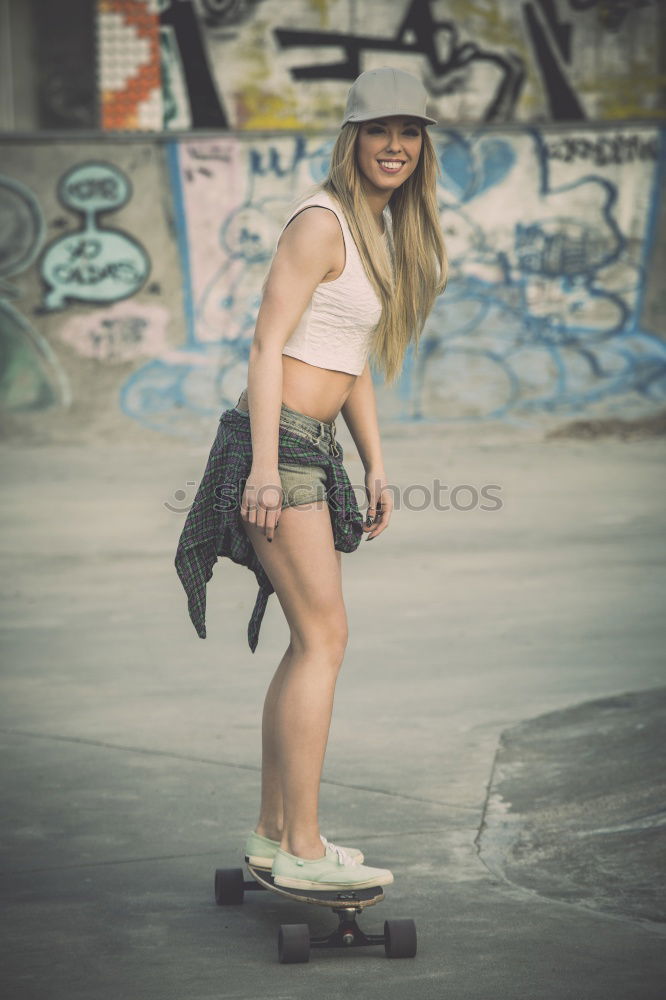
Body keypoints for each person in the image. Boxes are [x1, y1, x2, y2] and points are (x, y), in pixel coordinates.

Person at [180, 66, 447, 892]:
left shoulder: (379, 228)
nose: (393, 145)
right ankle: (303, 844)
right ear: (353, 137)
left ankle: (271, 836)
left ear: (422, 145)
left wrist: (375, 462)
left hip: (315, 448)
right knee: (325, 640)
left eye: (408, 131)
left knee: (309, 642)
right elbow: (267, 347)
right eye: (378, 130)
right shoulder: (321, 221)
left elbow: (350, 362)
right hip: (280, 450)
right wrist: (262, 467)